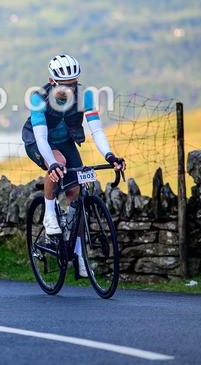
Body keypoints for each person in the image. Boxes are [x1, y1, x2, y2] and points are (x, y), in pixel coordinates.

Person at [21, 54, 126, 278]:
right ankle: (49, 215)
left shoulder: (85, 95)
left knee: (76, 194)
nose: (70, 89)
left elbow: (96, 129)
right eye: (65, 85)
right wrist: (51, 164)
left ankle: (79, 255)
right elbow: (41, 137)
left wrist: (110, 156)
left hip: (66, 142)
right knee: (59, 163)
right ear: (52, 82)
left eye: (73, 84)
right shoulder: (38, 98)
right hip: (38, 142)